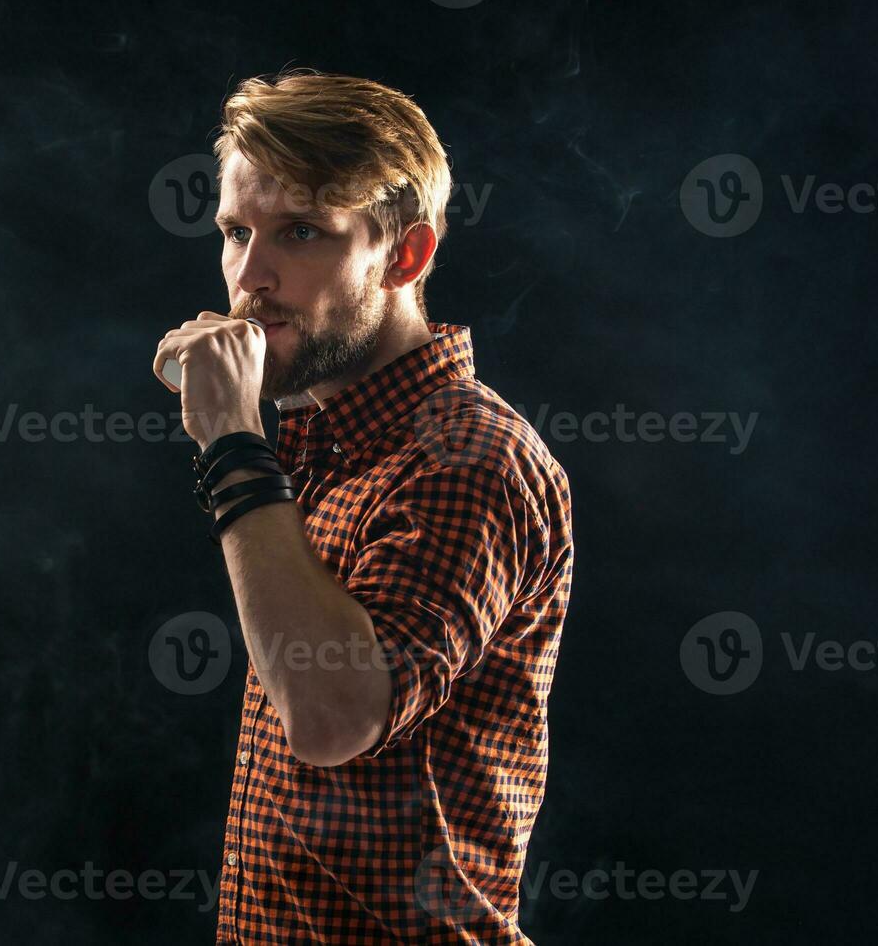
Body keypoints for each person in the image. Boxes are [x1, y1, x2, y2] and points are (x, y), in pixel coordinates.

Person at [153, 69, 574, 944]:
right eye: (237, 231)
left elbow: (334, 717)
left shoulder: (471, 458)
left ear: (406, 256)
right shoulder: (316, 446)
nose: (250, 277)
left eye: (301, 232)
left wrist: (232, 441)